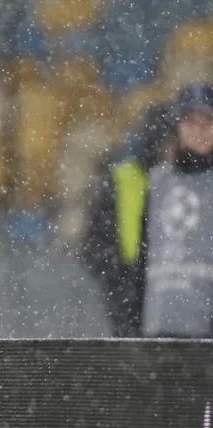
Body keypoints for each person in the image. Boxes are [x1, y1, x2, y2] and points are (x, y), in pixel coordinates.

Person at [79, 103, 178, 336]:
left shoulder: (190, 182)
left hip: (175, 296)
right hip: (130, 301)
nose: (171, 150)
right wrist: (124, 285)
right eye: (168, 141)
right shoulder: (120, 179)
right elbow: (93, 246)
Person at [139, 83, 213, 338]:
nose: (199, 130)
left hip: (204, 334)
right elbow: (143, 256)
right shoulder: (157, 182)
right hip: (157, 328)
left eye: (208, 121)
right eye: (190, 121)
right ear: (177, 127)